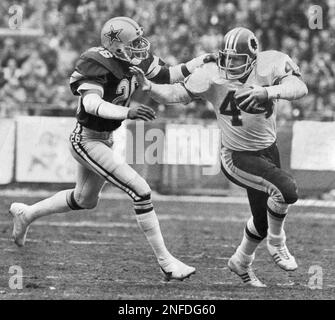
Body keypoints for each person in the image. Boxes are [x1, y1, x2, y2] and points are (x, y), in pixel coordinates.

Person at [9, 16, 212, 281]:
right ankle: (166, 262)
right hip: (86, 140)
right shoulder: (95, 61)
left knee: (85, 200)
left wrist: (203, 60)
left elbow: (170, 74)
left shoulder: (132, 59)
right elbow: (92, 104)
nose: (140, 46)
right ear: (116, 45)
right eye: (134, 42)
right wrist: (128, 111)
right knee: (141, 190)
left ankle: (27, 214)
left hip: (104, 139)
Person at [130, 27, 308, 287]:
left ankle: (241, 261)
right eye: (227, 57)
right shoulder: (212, 74)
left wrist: (267, 91)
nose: (230, 64)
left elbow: (299, 86)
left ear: (253, 56)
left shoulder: (271, 62)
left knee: (261, 220)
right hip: (236, 155)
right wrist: (149, 87)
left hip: (268, 149)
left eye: (237, 59)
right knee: (287, 190)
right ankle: (278, 242)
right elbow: (176, 94)